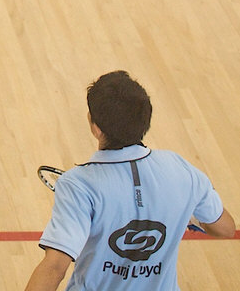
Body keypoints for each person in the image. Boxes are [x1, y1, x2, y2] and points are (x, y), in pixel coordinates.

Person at [25, 70, 236, 291]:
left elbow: (54, 268)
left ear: (95, 128)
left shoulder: (78, 184)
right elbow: (226, 228)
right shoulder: (182, 170)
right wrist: (191, 216)